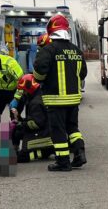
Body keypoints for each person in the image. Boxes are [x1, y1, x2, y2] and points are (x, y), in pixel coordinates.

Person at [33, 14, 87, 172]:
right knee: (73, 129)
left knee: (58, 131)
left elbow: (38, 72)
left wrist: (42, 79)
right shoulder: (76, 51)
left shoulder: (48, 50)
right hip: (74, 99)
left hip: (55, 100)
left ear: (50, 31)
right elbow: (83, 74)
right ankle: (79, 154)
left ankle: (63, 162)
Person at [10, 74, 54, 162]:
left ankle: (43, 150)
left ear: (29, 89)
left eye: (24, 91)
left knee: (20, 158)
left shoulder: (35, 103)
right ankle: (45, 151)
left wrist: (20, 124)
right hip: (48, 133)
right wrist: (18, 117)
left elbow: (36, 123)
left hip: (43, 135)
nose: (23, 93)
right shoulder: (38, 96)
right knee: (17, 130)